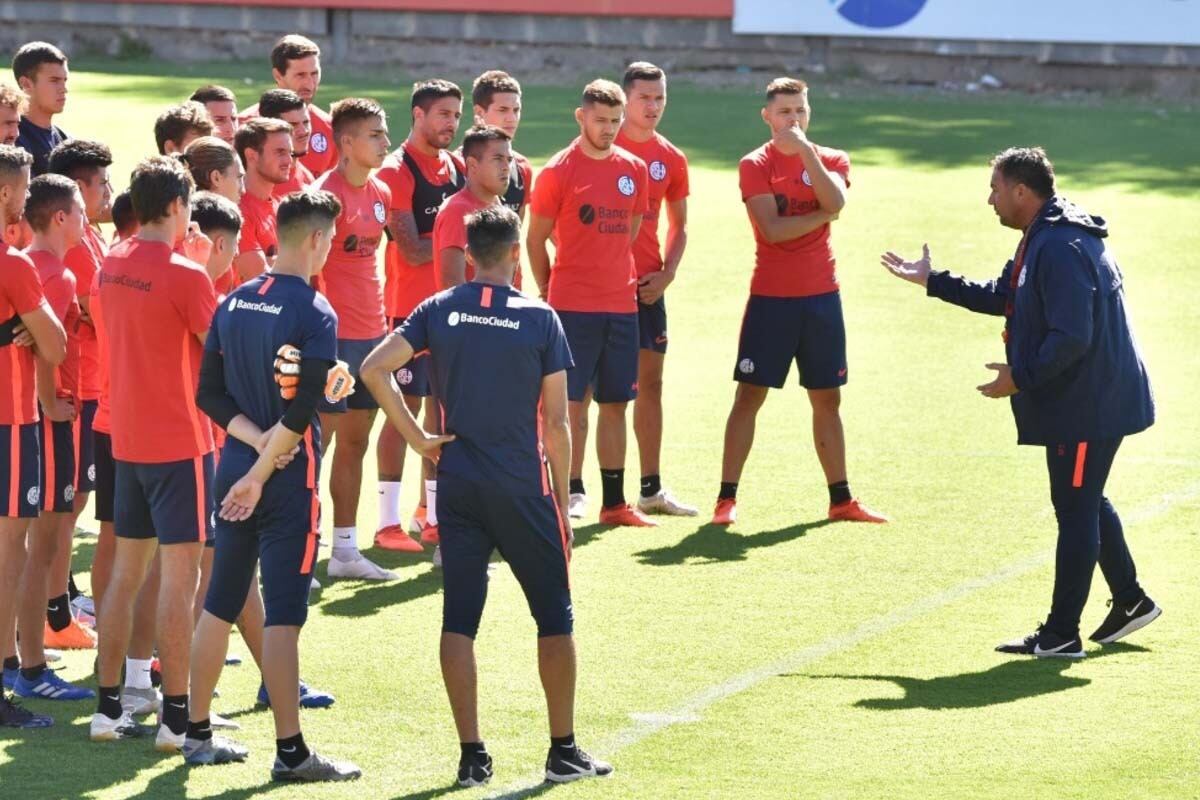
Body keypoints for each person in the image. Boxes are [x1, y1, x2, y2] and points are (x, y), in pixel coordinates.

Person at [361, 205, 613, 786]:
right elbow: (557, 422)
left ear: (470, 255)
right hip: (523, 489)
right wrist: (562, 496)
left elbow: (376, 369)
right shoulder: (539, 317)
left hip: (458, 485)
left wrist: (419, 438)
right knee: (554, 617)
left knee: (460, 619)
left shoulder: (438, 308)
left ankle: (472, 757)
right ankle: (562, 751)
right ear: (518, 253)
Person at [881, 146, 1161, 657]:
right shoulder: (1043, 235)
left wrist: (1020, 377)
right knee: (1084, 500)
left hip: (1090, 403)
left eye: (995, 189)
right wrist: (933, 280)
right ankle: (1131, 601)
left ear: (1021, 192)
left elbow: (1073, 336)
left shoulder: (1057, 245)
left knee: (1075, 508)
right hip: (1091, 396)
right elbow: (1006, 295)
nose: (990, 200)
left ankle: (1061, 635)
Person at [188, 190, 357, 779]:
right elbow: (303, 408)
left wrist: (253, 449)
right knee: (283, 614)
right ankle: (292, 753)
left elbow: (209, 393)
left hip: (234, 467)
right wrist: (266, 466)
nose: (330, 247)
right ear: (313, 239)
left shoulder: (232, 301)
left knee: (221, 600)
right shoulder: (316, 312)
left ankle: (198, 733)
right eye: (330, 239)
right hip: (282, 480)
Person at [713, 77, 886, 527]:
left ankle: (841, 498)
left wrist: (808, 154)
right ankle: (726, 499)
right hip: (771, 297)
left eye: (801, 111)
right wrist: (824, 215)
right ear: (767, 116)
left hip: (821, 296)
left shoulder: (830, 158)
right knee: (749, 396)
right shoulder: (754, 164)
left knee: (827, 399)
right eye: (785, 112)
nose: (793, 119)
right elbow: (773, 229)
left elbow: (837, 198)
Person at [91, 155, 218, 749]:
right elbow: (215, 351)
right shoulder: (186, 275)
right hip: (179, 443)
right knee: (180, 578)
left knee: (125, 574)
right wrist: (202, 269)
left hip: (125, 438)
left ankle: (108, 707)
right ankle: (175, 715)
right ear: (175, 208)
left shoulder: (108, 263)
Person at [527, 79, 652, 526]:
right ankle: (569, 490)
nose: (609, 129)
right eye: (600, 120)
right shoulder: (559, 170)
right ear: (581, 117)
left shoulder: (633, 168)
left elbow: (631, 231)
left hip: (621, 304)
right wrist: (548, 294)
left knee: (617, 403)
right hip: (571, 306)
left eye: (616, 121)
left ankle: (615, 503)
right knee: (571, 406)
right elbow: (536, 239)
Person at [375, 79, 464, 551]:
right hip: (408, 313)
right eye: (442, 114)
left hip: (450, 313)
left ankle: (430, 513)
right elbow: (409, 249)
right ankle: (386, 523)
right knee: (400, 413)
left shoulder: (456, 166)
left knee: (442, 412)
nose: (450, 123)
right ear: (418, 115)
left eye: (455, 114)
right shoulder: (396, 171)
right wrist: (462, 246)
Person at [311, 98, 396, 580]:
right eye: (375, 135)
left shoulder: (381, 192)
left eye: (384, 135)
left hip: (371, 337)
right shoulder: (325, 196)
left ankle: (344, 550)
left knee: (357, 441)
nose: (385, 142)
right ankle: (290, 541)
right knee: (314, 445)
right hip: (334, 340)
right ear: (346, 142)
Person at [0, 143, 65, 729]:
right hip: (9, 418)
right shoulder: (14, 263)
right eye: (22, 189)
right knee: (8, 552)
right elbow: (58, 346)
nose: (27, 199)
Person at [613, 61, 695, 517]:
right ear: (625, 99)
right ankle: (579, 490)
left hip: (648, 288)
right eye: (644, 97)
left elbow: (681, 225)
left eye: (660, 97)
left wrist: (668, 273)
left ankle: (650, 489)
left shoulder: (671, 157)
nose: (653, 106)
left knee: (651, 385)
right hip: (602, 290)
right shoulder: (603, 143)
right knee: (586, 390)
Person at [48, 138, 113, 627]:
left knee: (76, 500)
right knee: (66, 504)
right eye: (102, 182)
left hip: (94, 383)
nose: (109, 190)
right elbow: (97, 310)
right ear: (79, 188)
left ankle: (63, 601)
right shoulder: (72, 246)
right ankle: (56, 615)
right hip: (77, 386)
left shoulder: (89, 235)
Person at [239, 35, 336, 178]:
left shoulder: (329, 128)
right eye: (300, 75)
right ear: (278, 75)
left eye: (314, 74)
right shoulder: (244, 126)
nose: (309, 84)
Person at [433, 125, 513, 290]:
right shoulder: (457, 211)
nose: (506, 167)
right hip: (476, 315)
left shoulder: (498, 207)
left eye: (509, 159)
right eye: (498, 158)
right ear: (472, 165)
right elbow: (451, 286)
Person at [233, 117, 293, 285]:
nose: (289, 161)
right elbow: (259, 278)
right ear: (251, 156)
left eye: (290, 153)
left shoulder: (279, 205)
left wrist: (274, 261)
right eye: (280, 152)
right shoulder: (238, 211)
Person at [469, 71, 533, 219]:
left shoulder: (523, 168)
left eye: (516, 110)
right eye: (503, 110)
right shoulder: (458, 166)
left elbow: (515, 236)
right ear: (479, 112)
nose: (512, 118)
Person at [12, 42, 68, 176]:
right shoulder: (13, 139)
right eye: (54, 80)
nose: (64, 89)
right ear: (26, 84)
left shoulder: (64, 139)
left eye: (64, 80)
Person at [257, 89, 315, 196]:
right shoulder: (257, 181)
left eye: (306, 122)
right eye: (293, 125)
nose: (304, 131)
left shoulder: (306, 177)